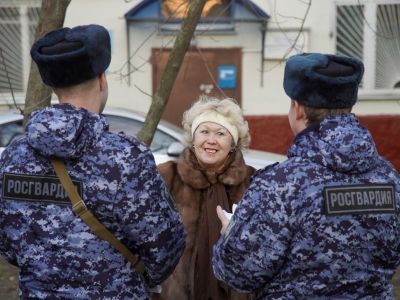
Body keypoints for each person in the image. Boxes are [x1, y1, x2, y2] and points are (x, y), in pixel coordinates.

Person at [0, 24, 185, 299]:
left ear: (51, 85)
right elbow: (165, 248)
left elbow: (7, 246)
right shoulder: (125, 158)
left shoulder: (14, 157)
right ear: (101, 79)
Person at [212, 53, 400, 299]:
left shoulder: (280, 185)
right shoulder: (390, 178)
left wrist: (231, 234)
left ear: (298, 109)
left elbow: (238, 273)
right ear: (350, 107)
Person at [154, 96, 255, 300]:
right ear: (193, 138)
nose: (211, 140)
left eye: (221, 133)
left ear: (233, 143)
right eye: (204, 132)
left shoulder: (253, 182)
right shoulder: (165, 177)